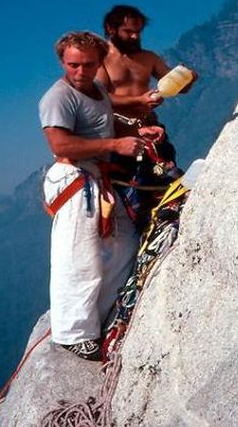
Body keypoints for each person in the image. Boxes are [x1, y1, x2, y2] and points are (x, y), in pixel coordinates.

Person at [38, 31, 161, 361]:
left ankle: (102, 314)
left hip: (96, 177)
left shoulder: (97, 91)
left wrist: (137, 132)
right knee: (79, 255)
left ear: (99, 62)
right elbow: (60, 144)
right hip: (74, 178)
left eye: (89, 64)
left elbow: (103, 127)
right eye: (73, 65)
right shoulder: (58, 98)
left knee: (123, 244)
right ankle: (72, 333)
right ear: (63, 62)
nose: (80, 71)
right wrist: (114, 146)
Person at [96, 5, 199, 230]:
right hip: (122, 137)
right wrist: (139, 101)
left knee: (169, 186)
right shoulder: (100, 61)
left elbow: (175, 84)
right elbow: (100, 98)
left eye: (138, 31)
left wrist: (186, 79)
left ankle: (170, 228)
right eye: (128, 31)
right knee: (133, 198)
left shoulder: (147, 58)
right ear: (110, 29)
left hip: (151, 131)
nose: (135, 36)